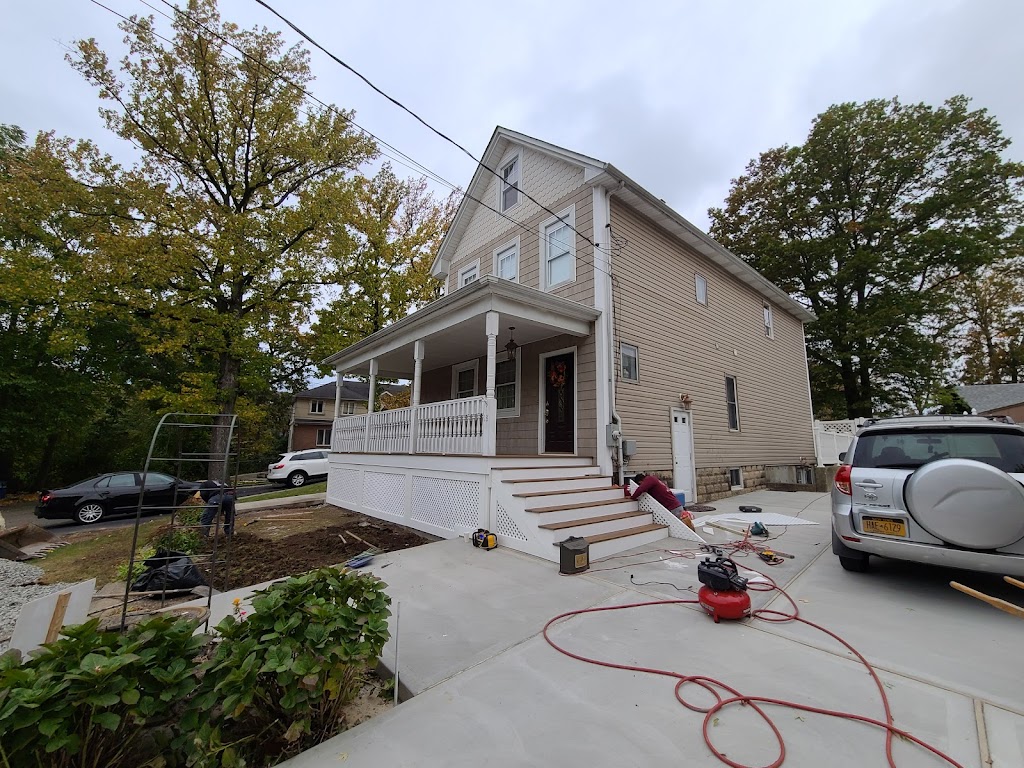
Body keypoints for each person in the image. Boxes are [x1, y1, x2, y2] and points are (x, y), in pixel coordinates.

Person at [630, 473, 695, 531]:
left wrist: (632, 497)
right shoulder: (653, 479)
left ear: (640, 481)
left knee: (682, 526)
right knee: (683, 523)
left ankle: (692, 533)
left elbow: (641, 489)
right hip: (675, 504)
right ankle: (691, 531)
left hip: (672, 507)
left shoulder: (649, 480)